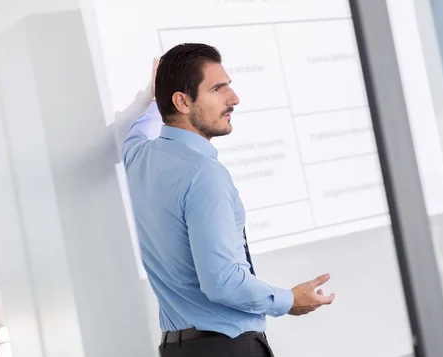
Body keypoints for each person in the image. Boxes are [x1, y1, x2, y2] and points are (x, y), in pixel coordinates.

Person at [123, 43, 335, 357]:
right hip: (227, 349)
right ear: (182, 101)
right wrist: (289, 300)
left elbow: (135, 131)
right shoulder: (203, 174)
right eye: (218, 89)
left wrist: (155, 102)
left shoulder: (138, 158)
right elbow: (221, 282)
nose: (234, 99)